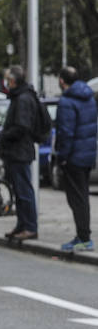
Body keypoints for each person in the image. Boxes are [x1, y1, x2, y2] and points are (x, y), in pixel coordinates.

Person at [54, 66, 97, 251]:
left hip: (73, 157)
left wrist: (62, 157)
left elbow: (66, 133)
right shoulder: (89, 98)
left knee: (76, 198)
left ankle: (83, 237)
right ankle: (84, 234)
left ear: (62, 81)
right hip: (87, 155)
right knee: (83, 196)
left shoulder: (66, 101)